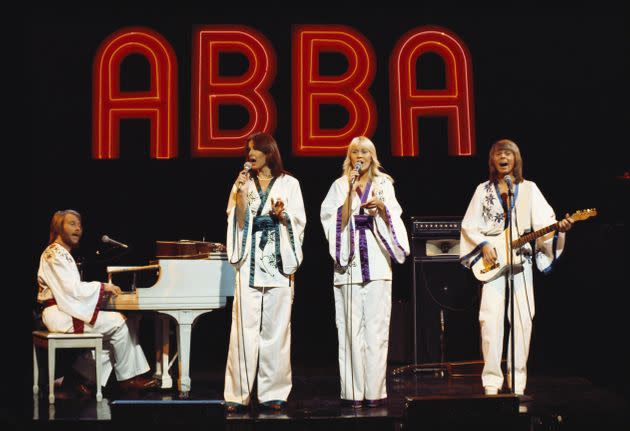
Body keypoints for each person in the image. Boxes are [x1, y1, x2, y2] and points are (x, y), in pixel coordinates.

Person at [459, 139, 573, 396]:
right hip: (493, 261)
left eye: (508, 153)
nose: (503, 157)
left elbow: (546, 221)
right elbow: (469, 225)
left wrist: (558, 229)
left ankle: (518, 379)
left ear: (516, 159)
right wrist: (484, 244)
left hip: (521, 260)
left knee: (522, 320)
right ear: (492, 160)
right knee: (490, 320)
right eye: (499, 153)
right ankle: (491, 381)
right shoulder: (482, 190)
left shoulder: (530, 189)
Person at [320, 136, 409, 408]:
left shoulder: (384, 184)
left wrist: (381, 210)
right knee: (349, 329)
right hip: (348, 265)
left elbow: (394, 216)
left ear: (372, 156)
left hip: (378, 262)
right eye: (355, 151)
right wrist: (349, 193)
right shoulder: (339, 185)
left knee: (377, 329)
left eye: (364, 152)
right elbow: (334, 220)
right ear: (349, 156)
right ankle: (352, 392)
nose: (360, 155)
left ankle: (374, 391)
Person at [224, 132, 306, 412]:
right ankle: (238, 393)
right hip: (249, 262)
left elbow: (299, 220)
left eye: (254, 150)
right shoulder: (242, 183)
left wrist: (283, 216)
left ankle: (274, 391)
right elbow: (238, 219)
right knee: (243, 330)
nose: (250, 155)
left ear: (268, 152)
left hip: (278, 263)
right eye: (248, 151)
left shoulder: (290, 183)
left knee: (276, 329)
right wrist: (240, 193)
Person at [37, 209, 157, 396]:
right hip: (59, 314)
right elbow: (72, 290)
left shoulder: (62, 253)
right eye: (72, 224)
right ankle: (128, 379)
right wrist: (103, 287)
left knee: (121, 328)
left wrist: (99, 292)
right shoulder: (54, 253)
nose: (78, 229)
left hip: (64, 310)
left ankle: (77, 377)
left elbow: (72, 289)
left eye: (80, 224)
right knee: (118, 323)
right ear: (58, 227)